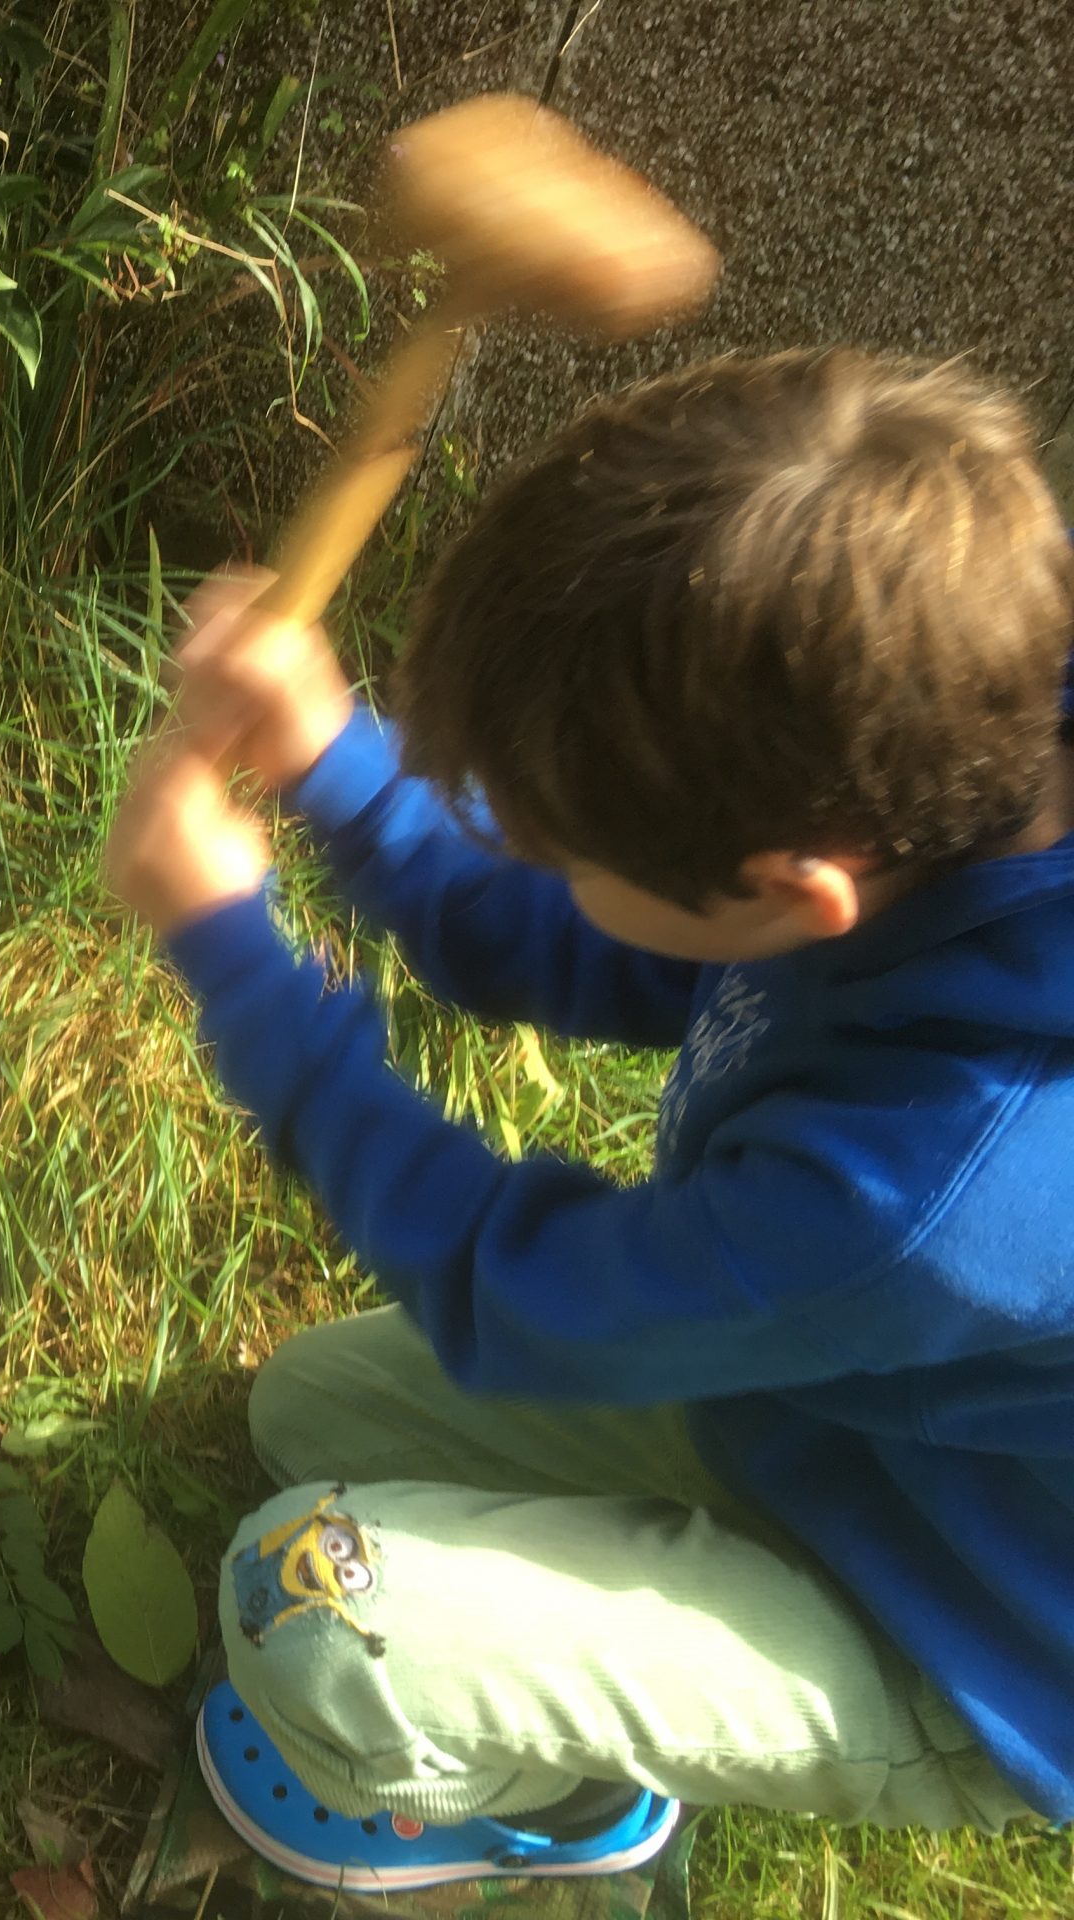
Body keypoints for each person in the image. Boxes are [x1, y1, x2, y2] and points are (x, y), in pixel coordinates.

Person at [101, 349, 1074, 1894]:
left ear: (794, 890)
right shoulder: (942, 747)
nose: (536, 862)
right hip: (808, 1402)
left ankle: (570, 1822)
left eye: (566, 848)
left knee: (308, 1618)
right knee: (307, 1414)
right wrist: (335, 763)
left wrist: (239, 963)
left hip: (960, 1620)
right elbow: (598, 936)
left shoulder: (931, 1194)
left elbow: (515, 1292)